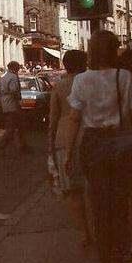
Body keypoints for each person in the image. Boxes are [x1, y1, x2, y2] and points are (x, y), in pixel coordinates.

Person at [65, 30, 132, 263]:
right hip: (121, 144)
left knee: (99, 206)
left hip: (93, 146)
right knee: (122, 201)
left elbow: (74, 120)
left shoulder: (80, 81)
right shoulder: (124, 76)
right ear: (114, 51)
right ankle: (125, 256)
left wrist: (68, 154)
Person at [48, 50, 92, 246]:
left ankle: (84, 233)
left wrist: (49, 146)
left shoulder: (59, 86)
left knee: (72, 191)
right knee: (92, 188)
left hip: (64, 140)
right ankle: (97, 228)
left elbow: (53, 119)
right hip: (90, 136)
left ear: (65, 65)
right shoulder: (91, 82)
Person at [0, 61, 29, 155]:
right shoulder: (13, 77)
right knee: (12, 128)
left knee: (20, 126)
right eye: (18, 68)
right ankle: (0, 148)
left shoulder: (3, 77)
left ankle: (23, 146)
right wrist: (18, 98)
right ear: (14, 68)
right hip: (12, 105)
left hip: (5, 105)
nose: (18, 70)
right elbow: (14, 90)